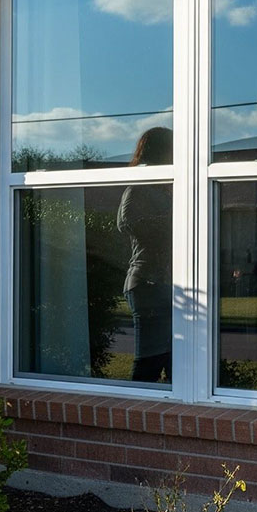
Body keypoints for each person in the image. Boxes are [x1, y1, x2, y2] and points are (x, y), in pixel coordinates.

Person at [116, 127, 172, 383]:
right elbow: (125, 221)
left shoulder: (165, 185)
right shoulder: (141, 184)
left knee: (175, 361)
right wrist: (171, 223)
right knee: (150, 362)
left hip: (167, 284)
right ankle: (130, 416)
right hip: (147, 282)